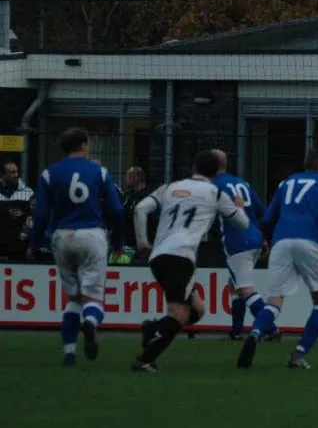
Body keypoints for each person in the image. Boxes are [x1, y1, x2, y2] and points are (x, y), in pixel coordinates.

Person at [130, 150, 248, 373]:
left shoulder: (170, 187)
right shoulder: (215, 193)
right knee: (179, 314)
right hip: (181, 257)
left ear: (194, 168)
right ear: (217, 172)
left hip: (158, 256)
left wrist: (143, 243)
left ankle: (153, 329)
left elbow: (140, 209)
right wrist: (239, 207)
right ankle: (144, 360)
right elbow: (242, 223)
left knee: (198, 310)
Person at [237, 149, 318, 369]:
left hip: (281, 242)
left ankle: (255, 332)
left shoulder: (285, 183)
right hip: (308, 241)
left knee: (274, 301)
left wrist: (266, 240)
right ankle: (298, 354)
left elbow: (268, 217)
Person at [28, 127, 125, 365]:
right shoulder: (99, 171)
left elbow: (41, 214)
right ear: (84, 145)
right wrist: (118, 242)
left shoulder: (49, 173)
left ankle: (69, 353)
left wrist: (33, 243)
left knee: (73, 298)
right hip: (91, 234)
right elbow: (116, 209)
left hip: (62, 236)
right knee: (92, 299)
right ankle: (90, 323)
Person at [212, 150, 270, 340]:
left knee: (244, 288)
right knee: (235, 284)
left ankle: (270, 328)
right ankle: (236, 331)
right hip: (254, 238)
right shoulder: (242, 183)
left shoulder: (214, 185)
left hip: (237, 239)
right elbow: (261, 212)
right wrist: (263, 238)